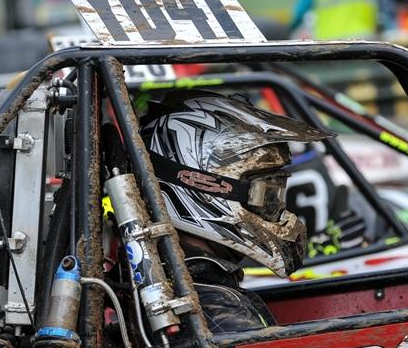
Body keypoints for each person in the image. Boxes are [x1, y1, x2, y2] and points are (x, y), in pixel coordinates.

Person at [140, 90, 331, 332]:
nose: (276, 209)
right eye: (267, 195)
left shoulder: (199, 286)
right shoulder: (212, 310)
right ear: (202, 188)